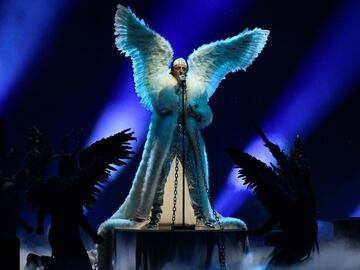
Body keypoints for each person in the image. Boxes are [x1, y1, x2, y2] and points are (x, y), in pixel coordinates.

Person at [98, 4, 269, 269]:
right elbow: (158, 105)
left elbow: (208, 115)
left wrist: (198, 112)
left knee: (192, 176)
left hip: (189, 142)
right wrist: (172, 102)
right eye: (177, 68)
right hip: (164, 141)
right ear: (172, 70)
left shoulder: (197, 87)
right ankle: (157, 215)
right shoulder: (163, 86)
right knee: (161, 175)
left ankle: (194, 214)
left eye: (183, 69)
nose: (180, 72)